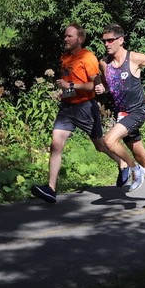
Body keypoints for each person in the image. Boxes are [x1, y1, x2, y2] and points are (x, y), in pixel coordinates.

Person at [33, 24, 122, 203]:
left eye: (69, 36)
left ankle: (123, 164)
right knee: (56, 144)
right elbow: (68, 81)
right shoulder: (64, 57)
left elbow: (95, 86)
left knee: (100, 145)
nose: (65, 39)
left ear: (79, 39)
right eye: (65, 36)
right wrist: (65, 91)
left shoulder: (88, 57)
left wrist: (71, 86)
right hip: (67, 107)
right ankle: (51, 189)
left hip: (85, 107)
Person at [95, 25, 145, 204]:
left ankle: (133, 168)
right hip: (121, 115)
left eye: (110, 40)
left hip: (137, 112)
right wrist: (102, 88)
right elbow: (109, 85)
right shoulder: (104, 63)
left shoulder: (134, 58)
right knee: (141, 155)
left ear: (121, 40)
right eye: (104, 41)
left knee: (108, 141)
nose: (106, 44)